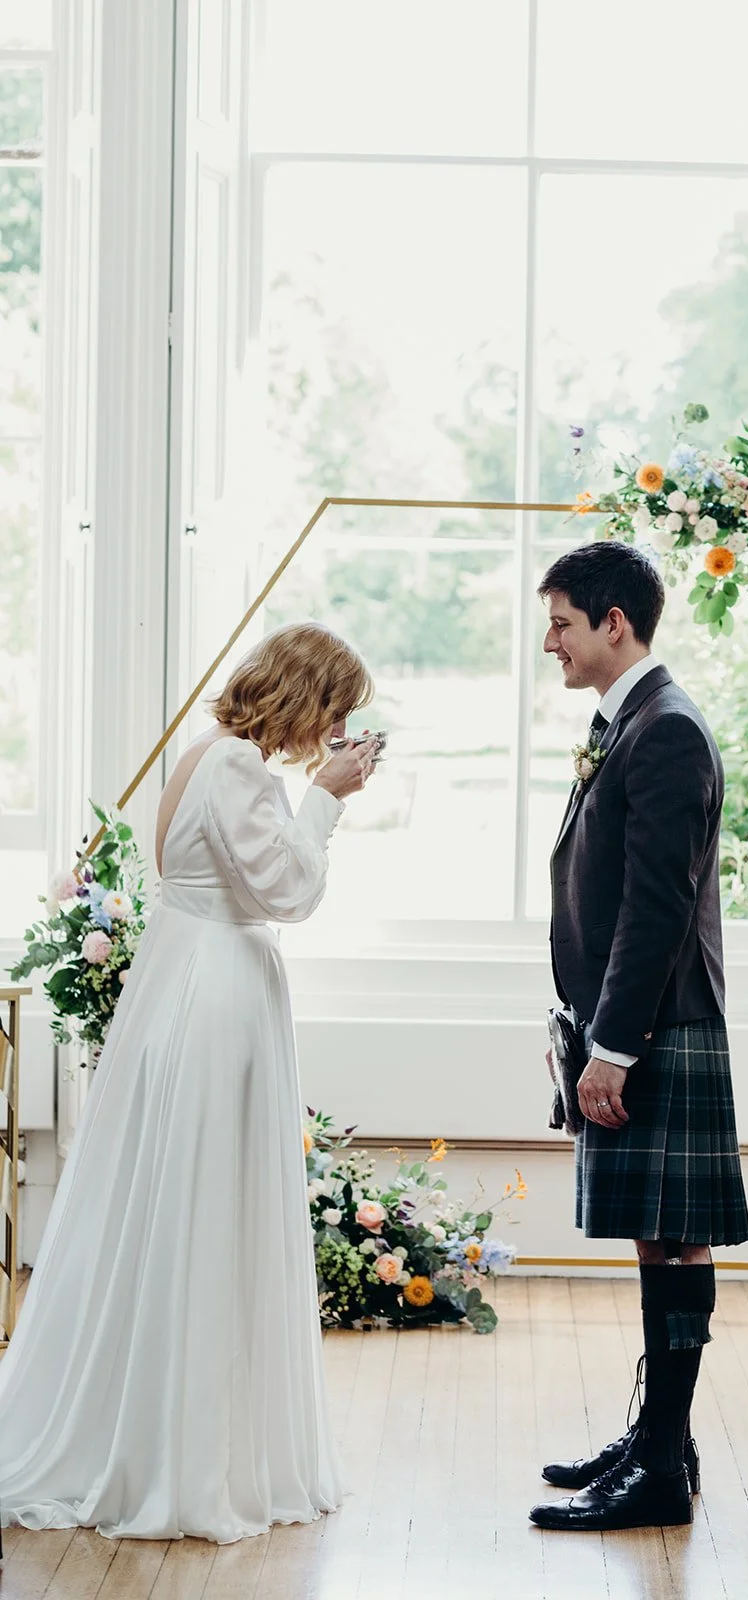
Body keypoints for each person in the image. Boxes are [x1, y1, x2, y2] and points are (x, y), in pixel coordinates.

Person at [0, 622, 380, 1543]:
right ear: (304, 696)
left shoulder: (204, 752)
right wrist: (325, 800)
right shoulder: (241, 768)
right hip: (214, 995)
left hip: (187, 978)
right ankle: (184, 1458)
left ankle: (162, 1429)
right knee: (208, 1207)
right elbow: (284, 891)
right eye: (332, 709)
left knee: (177, 1203)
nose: (334, 731)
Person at [528, 540, 748, 1534]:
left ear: (613, 622)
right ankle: (664, 1440)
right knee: (659, 1238)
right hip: (634, 1022)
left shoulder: (664, 730)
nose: (550, 643)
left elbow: (653, 907)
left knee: (673, 1239)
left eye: (562, 623)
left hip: (657, 1026)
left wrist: (611, 1044)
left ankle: (660, 1466)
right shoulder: (634, 721)